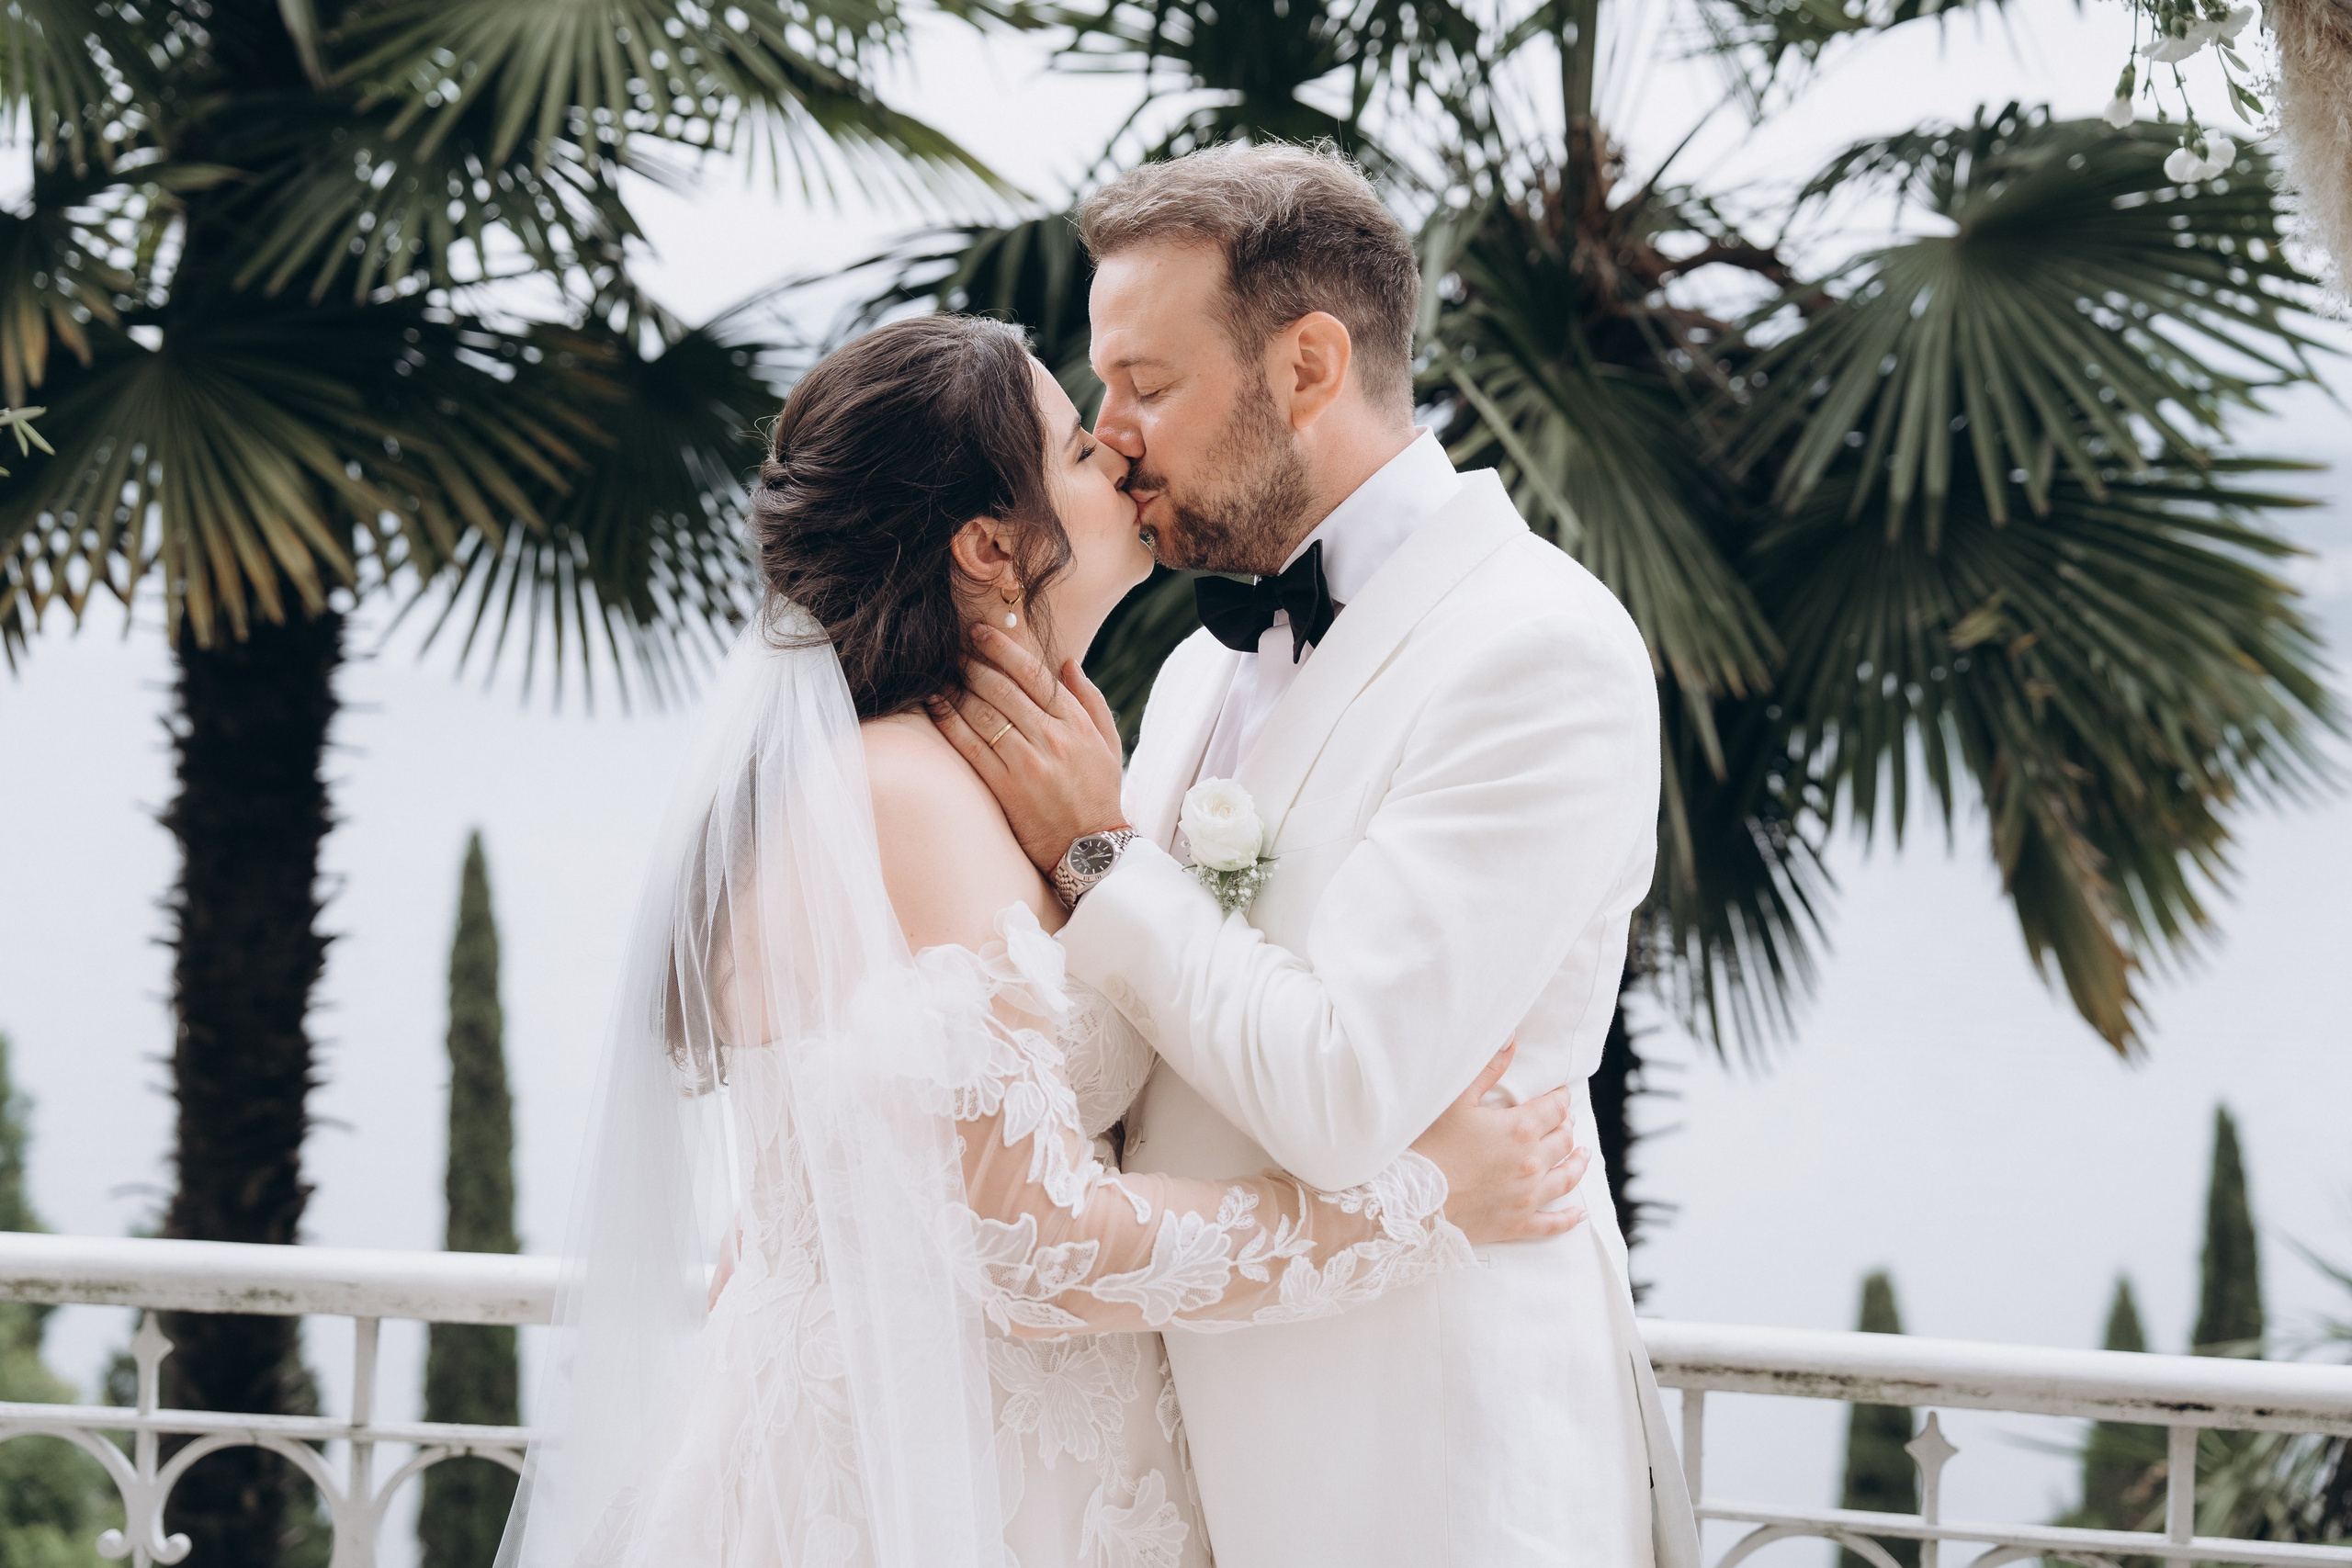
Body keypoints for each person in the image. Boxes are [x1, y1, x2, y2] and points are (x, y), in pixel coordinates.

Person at [494, 313, 1592, 1568]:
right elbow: (1038, 1245)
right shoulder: (903, 795)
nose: (1120, 454)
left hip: (1008, 1456)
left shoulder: (1002, 772)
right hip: (938, 1485)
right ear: (989, 544)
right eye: (1078, 445)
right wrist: (1418, 1197)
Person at [933, 141, 1699, 1568]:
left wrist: (1100, 853)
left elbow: (1343, 1088)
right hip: (1186, 1480)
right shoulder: (1186, 682)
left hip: (1434, 1485)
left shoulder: (1541, 651)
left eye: (1149, 386)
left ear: (1307, 367)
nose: (1110, 440)